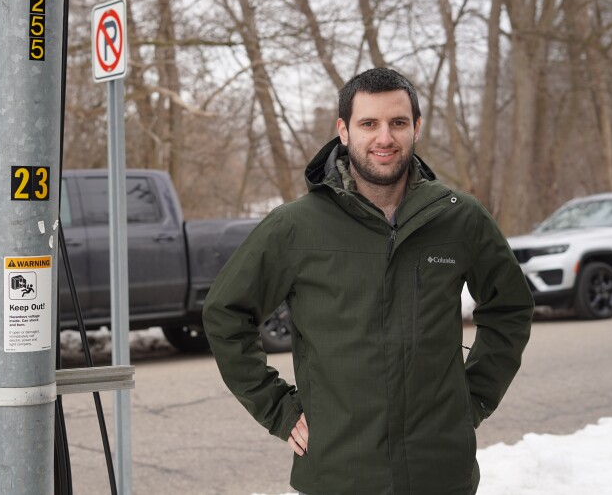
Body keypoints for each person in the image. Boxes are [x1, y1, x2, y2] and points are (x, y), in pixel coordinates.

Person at [202, 68, 534, 494]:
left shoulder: (460, 218)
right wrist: (278, 410)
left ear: (415, 127)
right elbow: (225, 314)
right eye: (368, 124)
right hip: (339, 473)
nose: (384, 138)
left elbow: (510, 308)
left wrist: (474, 398)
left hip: (441, 472)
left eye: (397, 123)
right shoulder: (295, 227)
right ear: (343, 131)